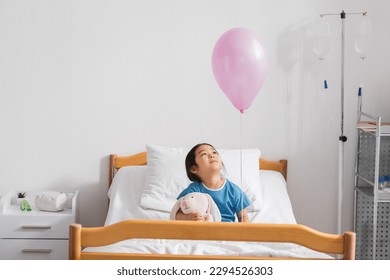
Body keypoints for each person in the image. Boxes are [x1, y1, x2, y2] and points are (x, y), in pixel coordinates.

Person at [175, 143, 250, 222]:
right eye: (204, 154)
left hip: (227, 232)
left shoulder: (234, 191)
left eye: (214, 152)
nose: (212, 155)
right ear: (194, 169)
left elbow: (243, 217)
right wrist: (188, 218)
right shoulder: (193, 190)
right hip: (202, 232)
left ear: (221, 164)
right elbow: (176, 214)